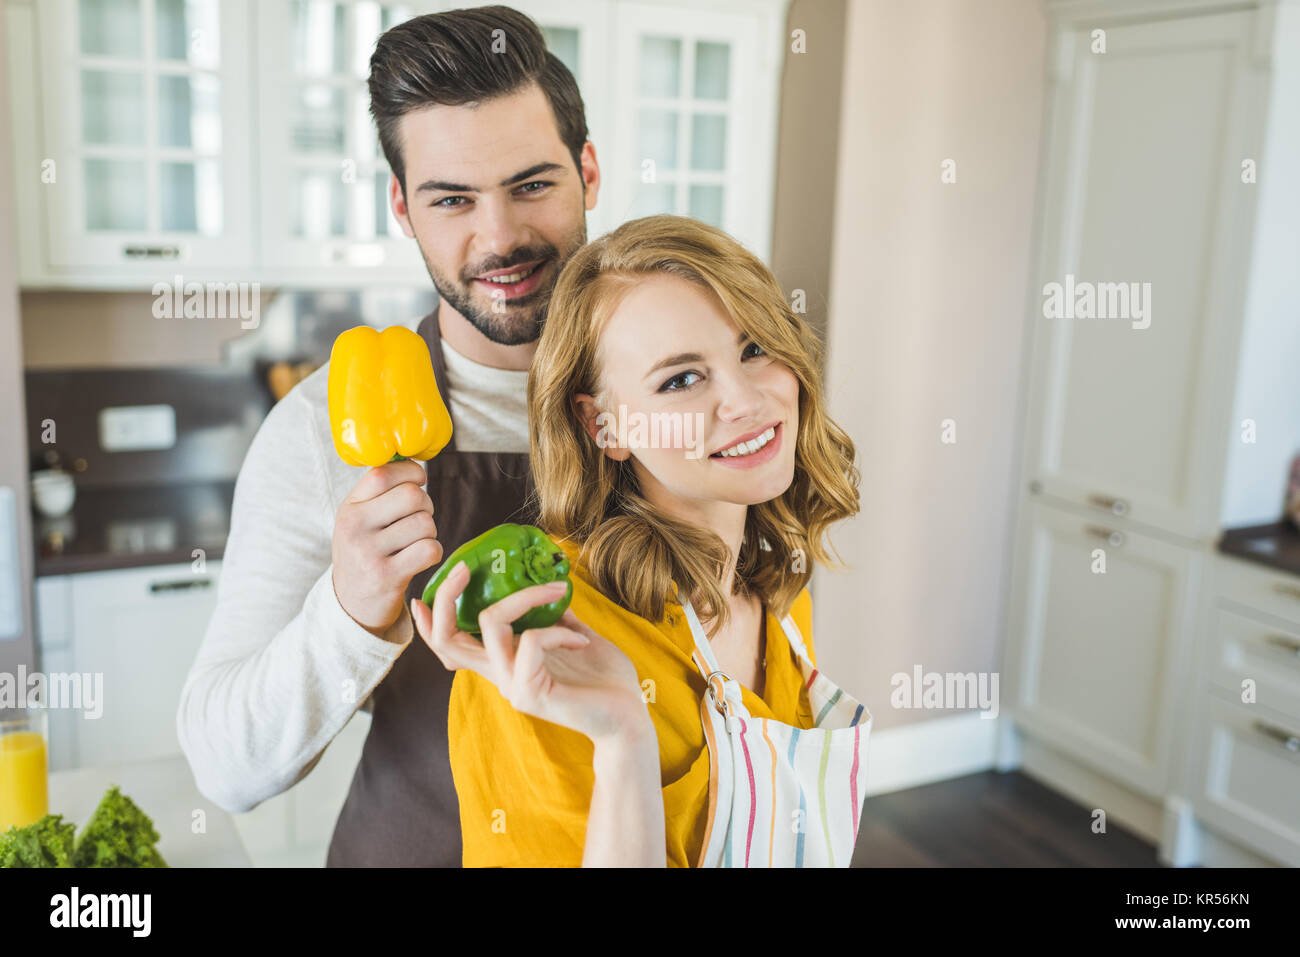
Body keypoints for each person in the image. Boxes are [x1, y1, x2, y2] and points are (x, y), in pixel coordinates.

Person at [176, 6, 600, 866]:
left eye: (532, 184)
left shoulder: (673, 385)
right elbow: (225, 766)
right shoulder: (321, 430)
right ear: (404, 209)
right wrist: (349, 614)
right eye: (453, 199)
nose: (500, 237)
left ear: (588, 171)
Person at [414, 215, 870, 867]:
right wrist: (624, 739)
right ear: (603, 424)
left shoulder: (778, 592)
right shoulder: (542, 644)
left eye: (754, 348)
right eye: (681, 379)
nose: (745, 400)